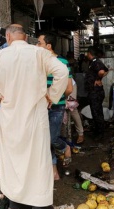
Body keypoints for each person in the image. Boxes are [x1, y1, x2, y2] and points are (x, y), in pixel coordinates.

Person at [0, 24, 68, 209]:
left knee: (13, 162)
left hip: (10, 116)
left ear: (8, 37)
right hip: (35, 117)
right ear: (26, 37)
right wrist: (51, 95)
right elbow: (62, 72)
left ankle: (15, 206)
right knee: (37, 160)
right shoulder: (39, 53)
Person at [36, 33, 73, 180]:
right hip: (40, 106)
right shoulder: (37, 62)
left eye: (39, 43)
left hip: (57, 106)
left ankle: (65, 147)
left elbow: (69, 89)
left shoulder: (62, 61)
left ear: (48, 46)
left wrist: (51, 97)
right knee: (44, 139)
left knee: (52, 138)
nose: (36, 46)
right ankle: (54, 170)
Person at [84, 46, 108, 140]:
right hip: (94, 92)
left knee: (96, 113)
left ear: (89, 53)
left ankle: (100, 134)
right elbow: (106, 70)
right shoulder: (93, 62)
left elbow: (102, 72)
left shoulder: (95, 62)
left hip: (95, 92)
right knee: (97, 112)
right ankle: (99, 131)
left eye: (87, 53)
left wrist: (98, 79)